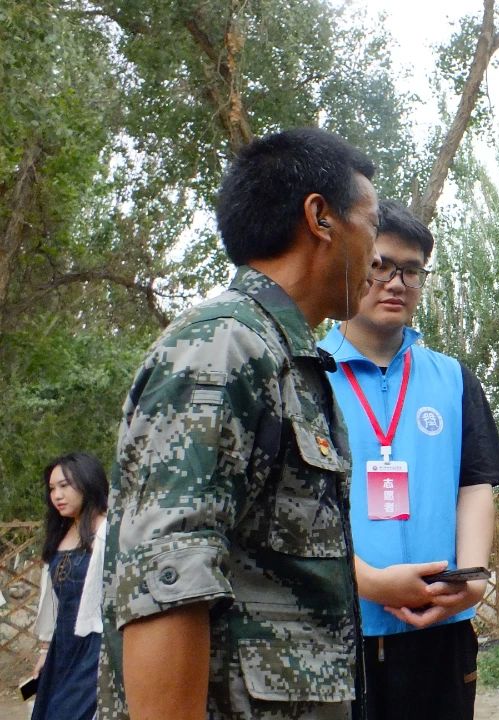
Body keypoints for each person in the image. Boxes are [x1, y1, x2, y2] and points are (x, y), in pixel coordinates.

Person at [98, 127, 382, 720]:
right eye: (372, 225)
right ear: (320, 218)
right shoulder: (223, 347)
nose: (377, 255)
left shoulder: (284, 358)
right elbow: (167, 579)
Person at [318, 200, 499, 720]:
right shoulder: (308, 373)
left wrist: (473, 580)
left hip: (442, 628)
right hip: (339, 628)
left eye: (411, 270)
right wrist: (365, 581)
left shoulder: (453, 379)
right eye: (380, 265)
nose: (396, 283)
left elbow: (475, 483)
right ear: (352, 262)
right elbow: (292, 506)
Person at [30, 452, 109, 720]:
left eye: (64, 485)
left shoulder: (108, 531)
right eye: (52, 489)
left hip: (96, 646)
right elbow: (52, 600)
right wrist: (45, 650)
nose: (57, 495)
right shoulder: (60, 533)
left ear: (87, 482)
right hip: (63, 645)